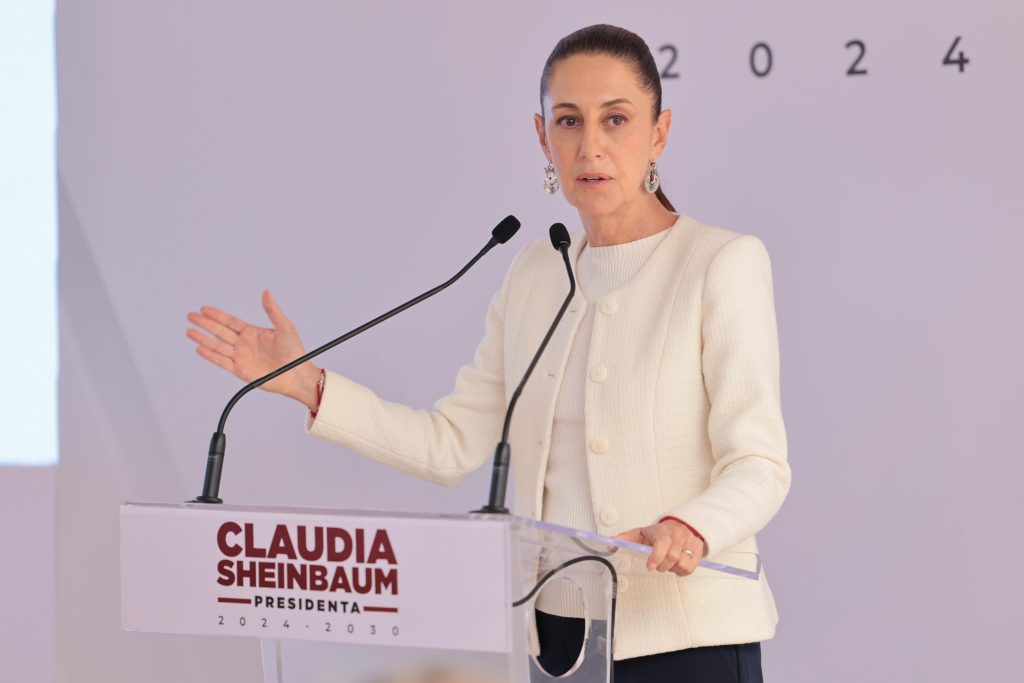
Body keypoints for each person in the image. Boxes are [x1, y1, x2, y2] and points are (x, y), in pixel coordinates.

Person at [186, 24, 790, 683]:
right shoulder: (536, 272)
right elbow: (452, 443)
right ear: (542, 138)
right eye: (569, 121)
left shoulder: (719, 263)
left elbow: (759, 463)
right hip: (558, 645)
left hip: (686, 642)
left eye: (616, 119)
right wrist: (310, 386)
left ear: (659, 132)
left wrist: (691, 525)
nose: (590, 145)